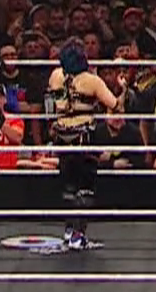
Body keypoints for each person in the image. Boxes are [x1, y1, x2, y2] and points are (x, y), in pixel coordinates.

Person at [48, 41, 120, 251]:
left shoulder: (55, 76)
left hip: (62, 136)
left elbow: (50, 103)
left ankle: (69, 230)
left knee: (68, 185)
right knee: (85, 187)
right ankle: (78, 235)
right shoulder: (92, 81)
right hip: (83, 137)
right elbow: (114, 104)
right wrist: (123, 88)